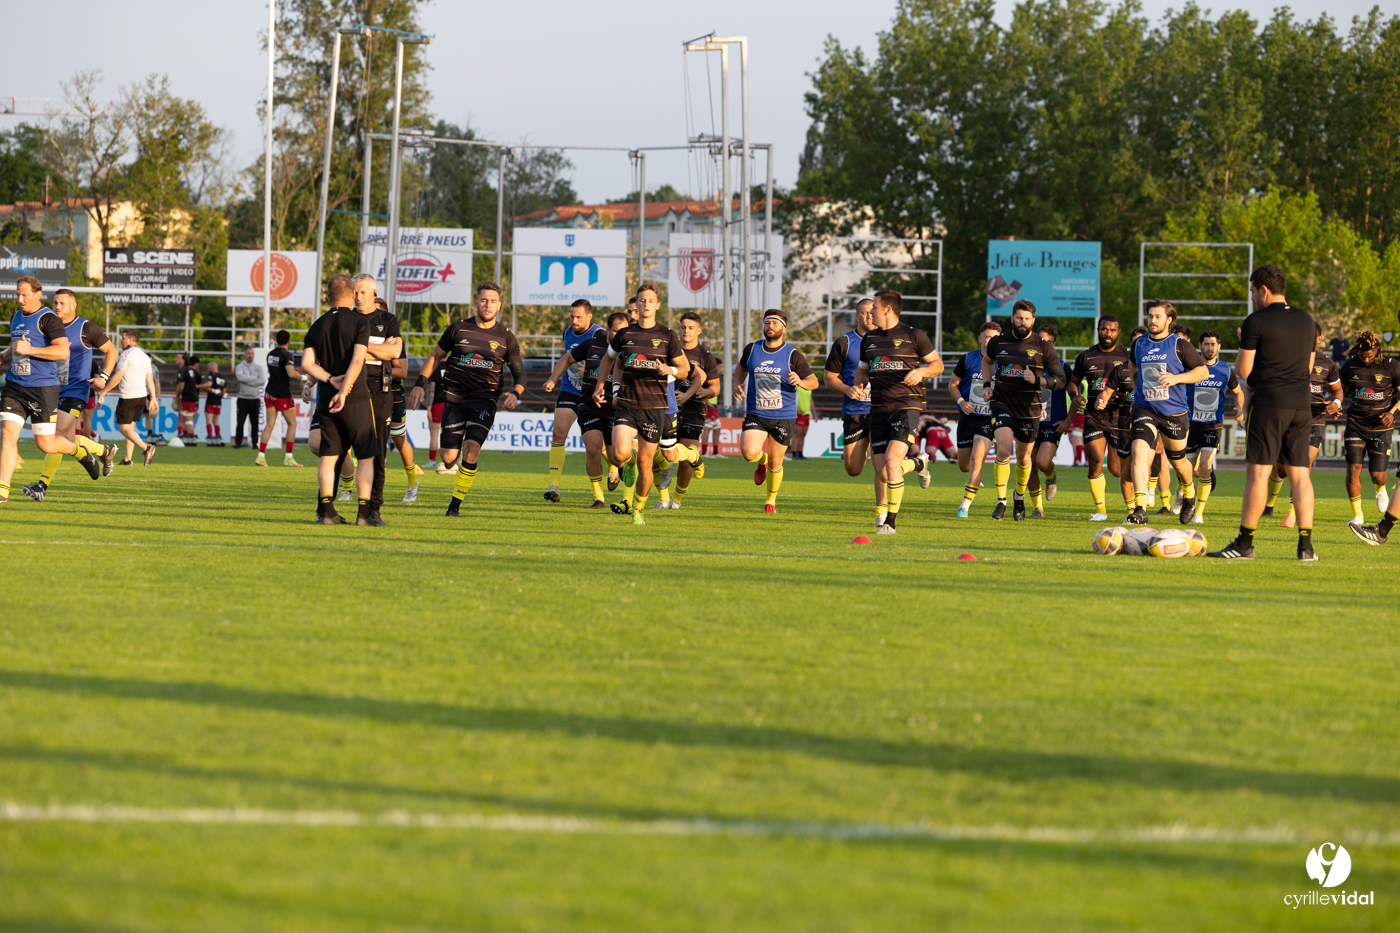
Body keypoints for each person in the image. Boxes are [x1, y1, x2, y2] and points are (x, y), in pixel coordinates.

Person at [1208, 264, 1319, 560]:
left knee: (1258, 474)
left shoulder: (1256, 321)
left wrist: (1245, 340)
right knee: (1300, 475)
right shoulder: (1307, 321)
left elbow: (1243, 370)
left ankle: (1244, 544)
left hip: (1270, 403)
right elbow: (1308, 368)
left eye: (1253, 291)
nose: (1252, 297)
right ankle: (1306, 547)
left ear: (1264, 289)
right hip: (1301, 404)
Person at [409, 281, 524, 518]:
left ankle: (454, 506)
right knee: (448, 457)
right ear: (476, 302)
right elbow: (435, 356)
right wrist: (420, 384)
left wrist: (516, 393)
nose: (488, 305)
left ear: (499, 305)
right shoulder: (458, 328)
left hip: (485, 399)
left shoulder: (506, 337)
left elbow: (520, 375)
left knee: (472, 449)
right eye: (484, 300)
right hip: (454, 399)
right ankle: (454, 456)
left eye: (493, 301)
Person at [590, 283, 693, 525]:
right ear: (637, 304)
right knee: (618, 454)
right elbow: (608, 360)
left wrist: (671, 370)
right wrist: (600, 386)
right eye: (642, 300)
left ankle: (638, 508)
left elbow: (685, 369)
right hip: (627, 403)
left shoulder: (667, 335)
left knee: (646, 463)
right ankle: (628, 461)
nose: (646, 304)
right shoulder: (625, 334)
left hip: (654, 408)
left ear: (658, 305)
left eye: (650, 300)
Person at [1107, 300, 1208, 525]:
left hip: (1174, 413)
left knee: (1178, 462)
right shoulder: (1139, 343)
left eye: (1158, 316)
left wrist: (1177, 378)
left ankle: (1189, 493)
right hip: (1145, 408)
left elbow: (1202, 372)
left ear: (1169, 320)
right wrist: (1137, 387)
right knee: (1139, 451)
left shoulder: (1179, 345)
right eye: (1150, 316)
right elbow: (1132, 366)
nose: (1152, 320)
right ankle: (1140, 508)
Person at [17, 285, 117, 502]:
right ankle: (104, 451)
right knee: (68, 441)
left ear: (74, 305)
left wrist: (104, 377)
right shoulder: (47, 325)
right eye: (55, 303)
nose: (57, 306)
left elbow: (112, 351)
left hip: (75, 391)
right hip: (50, 389)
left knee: (55, 437)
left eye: (62, 303)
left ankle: (42, 486)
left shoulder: (86, 328)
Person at [855, 289, 942, 533]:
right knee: (884, 472)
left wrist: (921, 371)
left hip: (906, 406)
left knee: (892, 462)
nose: (870, 312)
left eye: (874, 307)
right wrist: (858, 385)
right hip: (878, 409)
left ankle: (890, 523)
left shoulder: (913, 335)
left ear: (887, 309)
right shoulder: (869, 339)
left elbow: (937, 365)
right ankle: (917, 463)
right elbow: (862, 370)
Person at [981, 300, 1065, 521]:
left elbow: (1060, 380)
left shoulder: (1043, 347)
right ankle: (1001, 502)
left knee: (1024, 459)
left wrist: (1037, 380)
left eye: (1027, 319)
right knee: (1003, 449)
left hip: (1029, 409)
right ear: (1012, 318)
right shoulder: (998, 342)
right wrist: (987, 385)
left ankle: (1019, 497)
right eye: (1019, 318)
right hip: (1002, 403)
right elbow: (987, 362)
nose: (1022, 322)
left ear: (1033, 321)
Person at [301, 278, 374, 525]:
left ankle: (327, 513)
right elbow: (357, 360)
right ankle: (363, 514)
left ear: (328, 297)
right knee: (365, 456)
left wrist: (331, 380)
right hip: (356, 397)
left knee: (329, 456)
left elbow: (307, 364)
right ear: (353, 294)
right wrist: (344, 391)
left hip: (326, 400)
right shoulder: (360, 321)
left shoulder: (317, 325)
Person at [732, 309, 819, 513]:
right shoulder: (752, 349)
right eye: (767, 322)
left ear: (784, 328)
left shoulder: (792, 355)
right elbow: (741, 367)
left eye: (775, 323)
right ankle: (761, 461)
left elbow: (814, 381)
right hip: (757, 413)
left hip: (783, 416)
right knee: (749, 453)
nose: (770, 326)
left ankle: (770, 501)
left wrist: (801, 382)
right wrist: (737, 383)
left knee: (776, 462)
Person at [545, 310, 629, 509]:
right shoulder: (591, 345)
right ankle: (599, 498)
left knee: (617, 456)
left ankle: (622, 473)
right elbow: (567, 359)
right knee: (592, 448)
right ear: (607, 329)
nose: (620, 336)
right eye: (616, 331)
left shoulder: (629, 350)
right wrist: (553, 379)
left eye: (624, 332)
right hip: (589, 405)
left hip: (615, 408)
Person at [1280, 325, 1343, 528]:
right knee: (1281, 470)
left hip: (1315, 419)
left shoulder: (1327, 363)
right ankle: (1270, 502)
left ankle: (1292, 513)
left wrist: (1336, 403)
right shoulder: (1288, 358)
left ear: (1319, 339)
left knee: (1303, 465)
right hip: (1290, 419)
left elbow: (1337, 390)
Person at [353, 280, 405, 524]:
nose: (358, 297)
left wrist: (361, 349)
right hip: (352, 388)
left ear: (374, 292)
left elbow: (394, 353)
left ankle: (373, 510)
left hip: (381, 392)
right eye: (354, 292)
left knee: (378, 454)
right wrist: (379, 347)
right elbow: (345, 352)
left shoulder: (388, 319)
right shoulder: (348, 318)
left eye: (363, 292)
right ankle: (328, 507)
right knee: (340, 451)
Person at [1069, 314, 1130, 521]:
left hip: (1119, 419)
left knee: (1116, 469)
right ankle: (1101, 511)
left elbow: (1136, 382)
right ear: (1098, 330)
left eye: (1112, 330)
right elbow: (1072, 382)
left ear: (1118, 332)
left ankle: (1135, 505)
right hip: (1094, 418)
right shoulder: (1086, 357)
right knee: (1095, 460)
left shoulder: (1127, 356)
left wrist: (1125, 396)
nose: (1108, 333)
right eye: (1104, 329)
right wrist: (1075, 396)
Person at [1336, 331, 1400, 526]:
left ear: (1377, 350)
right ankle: (1357, 516)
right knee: (1352, 469)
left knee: (1377, 476)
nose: (1365, 359)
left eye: (1369, 356)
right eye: (1363, 356)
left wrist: (1392, 412)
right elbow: (1339, 389)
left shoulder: (1391, 366)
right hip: (1355, 424)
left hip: (1381, 426)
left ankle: (1380, 489)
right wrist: (1336, 403)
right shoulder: (1350, 364)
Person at [542, 299, 603, 503]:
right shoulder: (568, 333)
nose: (574, 321)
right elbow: (567, 359)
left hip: (591, 393)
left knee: (598, 443)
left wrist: (591, 371)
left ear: (589, 316)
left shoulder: (599, 334)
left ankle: (614, 467)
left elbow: (609, 362)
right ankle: (554, 486)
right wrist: (553, 379)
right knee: (558, 433)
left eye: (579, 317)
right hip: (570, 389)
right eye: (572, 316)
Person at [1182, 330, 1245, 523]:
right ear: (1199, 346)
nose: (1210, 348)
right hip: (1190, 425)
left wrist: (1239, 408)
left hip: (1213, 425)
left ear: (1219, 346)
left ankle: (1198, 513)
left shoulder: (1225, 370)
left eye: (1213, 344)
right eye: (1206, 344)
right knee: (1186, 471)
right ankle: (1183, 494)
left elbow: (1238, 391)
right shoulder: (1189, 367)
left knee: (1205, 466)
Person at [1024, 322, 1077, 518]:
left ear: (1054, 345)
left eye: (1049, 342)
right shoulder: (1026, 363)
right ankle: (1038, 508)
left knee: (1043, 461)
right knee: (1029, 466)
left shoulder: (1062, 367)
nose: (1044, 344)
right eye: (1041, 340)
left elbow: (1075, 395)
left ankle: (1050, 474)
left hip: (1052, 423)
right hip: (1029, 421)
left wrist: (1068, 420)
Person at [824, 298, 877, 494]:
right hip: (855, 411)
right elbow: (829, 378)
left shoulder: (890, 341)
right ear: (857, 316)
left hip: (882, 410)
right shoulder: (844, 342)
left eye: (872, 312)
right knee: (853, 469)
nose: (869, 316)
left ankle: (883, 510)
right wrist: (847, 389)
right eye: (864, 312)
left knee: (882, 465)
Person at [950, 320, 1001, 518]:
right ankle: (975, 476)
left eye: (995, 338)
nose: (990, 341)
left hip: (989, 419)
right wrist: (961, 402)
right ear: (980, 338)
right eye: (987, 337)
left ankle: (965, 505)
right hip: (967, 417)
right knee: (965, 465)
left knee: (977, 458)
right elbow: (953, 384)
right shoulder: (967, 359)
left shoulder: (1004, 362)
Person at [373, 296, 421, 504]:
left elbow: (402, 371)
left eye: (376, 313)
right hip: (368, 393)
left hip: (392, 394)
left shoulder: (394, 341)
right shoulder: (363, 337)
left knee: (399, 440)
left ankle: (412, 482)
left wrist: (376, 367)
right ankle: (349, 487)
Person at [672, 311, 720, 507]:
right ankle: (662, 497)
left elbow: (715, 388)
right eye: (683, 327)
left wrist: (705, 391)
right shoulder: (670, 350)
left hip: (693, 411)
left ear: (698, 331)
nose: (686, 331)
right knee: (661, 457)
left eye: (691, 328)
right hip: (667, 409)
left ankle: (676, 500)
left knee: (684, 460)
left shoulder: (706, 357)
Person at [96, 329, 158, 467]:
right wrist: (153, 398)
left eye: (123, 338)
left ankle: (146, 448)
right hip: (141, 396)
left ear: (130, 340)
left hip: (128, 396)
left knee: (124, 429)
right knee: (130, 429)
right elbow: (150, 379)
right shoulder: (144, 356)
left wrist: (104, 390)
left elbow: (118, 375)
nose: (121, 340)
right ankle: (127, 459)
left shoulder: (125, 354)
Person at [256, 330, 302, 466]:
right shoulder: (287, 354)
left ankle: (260, 456)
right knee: (292, 424)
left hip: (269, 392)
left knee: (269, 425)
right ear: (289, 341)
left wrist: (294, 370)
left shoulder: (271, 354)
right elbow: (290, 374)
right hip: (282, 394)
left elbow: (280, 371)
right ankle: (288, 458)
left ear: (276, 340)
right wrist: (304, 378)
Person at [233, 347, 265, 448]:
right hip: (242, 398)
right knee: (240, 421)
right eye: (248, 353)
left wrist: (248, 382)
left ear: (254, 355)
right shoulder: (239, 366)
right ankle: (238, 443)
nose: (250, 355)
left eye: (252, 353)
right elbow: (240, 377)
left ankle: (255, 443)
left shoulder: (259, 367)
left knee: (255, 422)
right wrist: (255, 379)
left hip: (255, 398)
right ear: (244, 355)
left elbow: (262, 380)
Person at [198, 362, 227, 446]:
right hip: (218, 402)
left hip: (210, 401)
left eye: (208, 368)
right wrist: (219, 394)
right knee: (216, 421)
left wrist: (199, 386)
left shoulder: (212, 376)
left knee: (209, 421)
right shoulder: (222, 377)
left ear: (212, 368)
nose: (207, 370)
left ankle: (210, 438)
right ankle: (218, 438)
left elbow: (208, 385)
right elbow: (224, 391)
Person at [175, 353, 201, 442]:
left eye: (178, 357)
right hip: (193, 397)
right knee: (186, 418)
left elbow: (181, 387)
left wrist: (177, 396)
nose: (176, 359)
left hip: (188, 398)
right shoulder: (189, 370)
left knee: (188, 419)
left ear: (184, 360)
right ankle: (186, 437)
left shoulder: (183, 370)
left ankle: (190, 439)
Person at [792, 382, 812, 459]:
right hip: (799, 414)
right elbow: (791, 398)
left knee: (803, 435)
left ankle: (800, 454)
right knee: (797, 434)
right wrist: (796, 410)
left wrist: (814, 413)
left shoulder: (809, 386)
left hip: (806, 414)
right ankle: (794, 454)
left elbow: (810, 400)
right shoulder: (796, 386)